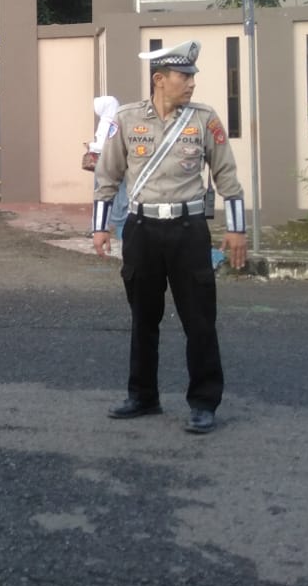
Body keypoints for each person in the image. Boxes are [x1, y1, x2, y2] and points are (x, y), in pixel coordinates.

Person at [91, 41, 246, 435]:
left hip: (188, 230)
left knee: (200, 319)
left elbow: (227, 175)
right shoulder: (127, 119)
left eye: (192, 76)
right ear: (159, 80)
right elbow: (107, 174)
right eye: (184, 76)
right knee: (143, 318)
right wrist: (100, 226)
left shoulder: (204, 120)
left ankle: (204, 402)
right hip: (142, 230)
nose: (191, 83)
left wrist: (236, 229)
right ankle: (143, 396)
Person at [89, 96, 129, 239]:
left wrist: (91, 146)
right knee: (112, 197)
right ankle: (102, 227)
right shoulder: (112, 121)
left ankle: (101, 228)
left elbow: (104, 146)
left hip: (109, 166)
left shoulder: (109, 123)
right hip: (110, 165)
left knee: (108, 196)